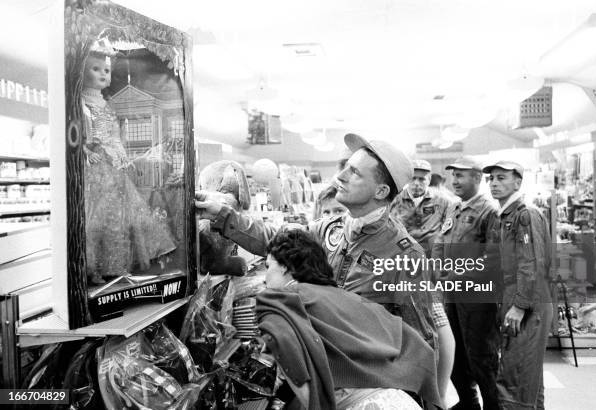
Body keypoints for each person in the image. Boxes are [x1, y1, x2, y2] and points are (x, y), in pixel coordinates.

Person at [196, 133, 440, 353]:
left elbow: (420, 340)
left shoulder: (406, 256)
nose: (339, 177)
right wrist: (222, 213)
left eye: (354, 172)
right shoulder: (328, 228)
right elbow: (275, 238)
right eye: (346, 168)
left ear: (381, 191)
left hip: (365, 380)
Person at [256, 229, 442, 409]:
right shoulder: (347, 298)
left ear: (286, 266)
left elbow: (291, 359)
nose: (265, 279)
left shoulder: (279, 302)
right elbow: (417, 345)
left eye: (268, 266)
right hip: (400, 401)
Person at [81, 42, 176, 285]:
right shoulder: (81, 104)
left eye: (106, 70)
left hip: (115, 167)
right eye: (96, 69)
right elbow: (80, 136)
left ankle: (117, 266)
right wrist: (86, 150)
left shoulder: (107, 104)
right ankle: (94, 268)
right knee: (98, 220)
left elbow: (115, 136)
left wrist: (124, 158)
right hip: (97, 169)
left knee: (122, 219)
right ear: (82, 72)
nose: (103, 74)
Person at [432, 156, 501, 410]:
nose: (454, 181)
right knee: (455, 357)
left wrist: (458, 276)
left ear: (477, 178)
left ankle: (494, 406)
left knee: (482, 359)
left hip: (477, 299)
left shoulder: (489, 212)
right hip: (452, 296)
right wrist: (437, 268)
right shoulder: (455, 207)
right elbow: (441, 239)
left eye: (460, 175)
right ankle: (469, 404)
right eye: (453, 175)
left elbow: (493, 258)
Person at [484, 160, 553, 410]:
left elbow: (531, 263)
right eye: (491, 179)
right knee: (528, 378)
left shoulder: (525, 214)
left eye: (501, 178)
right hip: (514, 297)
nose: (494, 183)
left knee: (515, 378)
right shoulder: (506, 215)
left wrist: (520, 306)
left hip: (528, 303)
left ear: (517, 182)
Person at [390, 159, 456, 403]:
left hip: (430, 276)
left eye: (423, 179)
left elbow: (447, 238)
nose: (417, 183)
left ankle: (438, 394)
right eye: (413, 178)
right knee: (405, 336)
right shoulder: (393, 201)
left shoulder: (444, 203)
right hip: (397, 276)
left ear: (429, 180)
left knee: (436, 329)